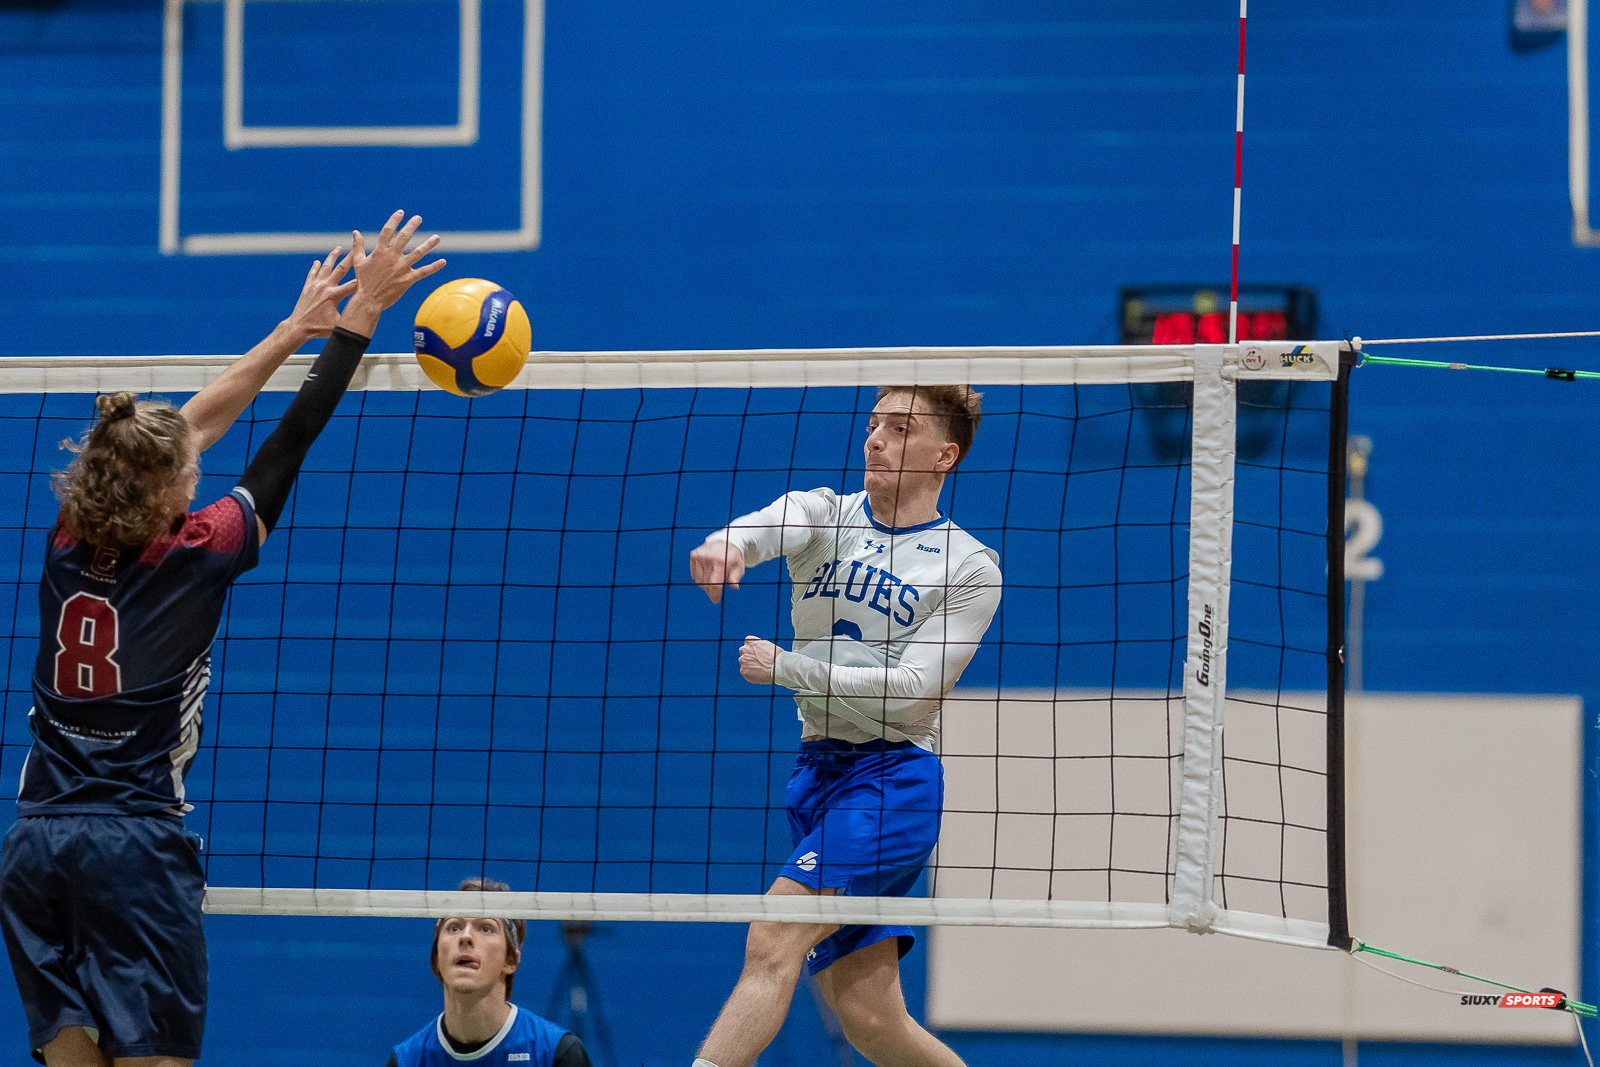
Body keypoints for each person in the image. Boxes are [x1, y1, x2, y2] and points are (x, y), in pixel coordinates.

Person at [0, 210, 445, 1067]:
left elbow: (184, 430)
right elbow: (290, 438)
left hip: (33, 846)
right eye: (189, 477)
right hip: (130, 848)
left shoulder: (68, 527)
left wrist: (291, 327)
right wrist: (356, 321)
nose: (200, 473)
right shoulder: (200, 554)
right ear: (169, 496)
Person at [686, 385, 1002, 1067]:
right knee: (871, 1021)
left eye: (901, 427)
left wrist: (789, 667)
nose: (877, 439)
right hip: (816, 776)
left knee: (773, 936)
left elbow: (913, 693)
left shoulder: (970, 566)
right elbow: (769, 525)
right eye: (873, 423)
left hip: (893, 780)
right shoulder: (827, 514)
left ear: (945, 455)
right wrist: (726, 544)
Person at [386, 878, 592, 1067]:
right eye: (453, 927)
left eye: (485, 928)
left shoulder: (557, 1054)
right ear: (436, 959)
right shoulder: (407, 1060)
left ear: (510, 960)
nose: (465, 936)